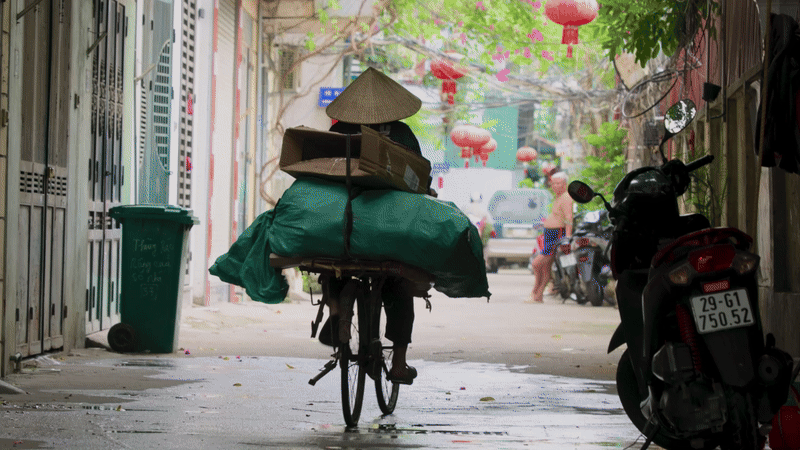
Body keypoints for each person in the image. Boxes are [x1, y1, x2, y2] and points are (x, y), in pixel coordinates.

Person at [316, 67, 428, 385]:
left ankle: (338, 310)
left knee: (335, 263)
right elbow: (418, 175)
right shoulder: (402, 133)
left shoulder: (338, 131)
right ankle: (400, 363)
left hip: (344, 218)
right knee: (398, 284)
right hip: (388, 222)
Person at [530, 172, 573, 303]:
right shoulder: (558, 197)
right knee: (545, 267)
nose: (554, 186)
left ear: (565, 184)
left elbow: (569, 218)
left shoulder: (566, 197)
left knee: (536, 263)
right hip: (549, 233)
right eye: (553, 183)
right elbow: (557, 216)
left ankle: (536, 290)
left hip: (556, 234)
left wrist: (568, 238)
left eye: (558, 183)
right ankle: (538, 295)